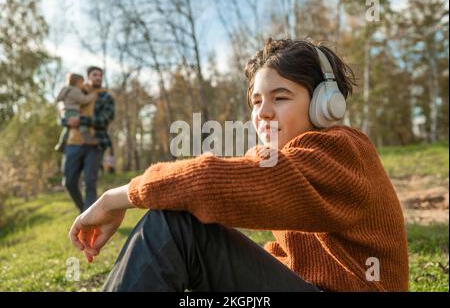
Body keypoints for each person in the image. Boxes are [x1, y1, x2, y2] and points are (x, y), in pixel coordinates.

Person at [69, 39, 409, 292]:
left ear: (326, 104)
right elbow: (281, 261)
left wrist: (115, 198)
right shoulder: (293, 164)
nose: (262, 112)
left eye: (281, 97)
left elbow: (208, 181)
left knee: (176, 225)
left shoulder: (341, 150)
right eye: (256, 100)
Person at [62, 66, 115, 213]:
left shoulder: (106, 97)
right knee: (69, 182)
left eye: (100, 75)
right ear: (88, 77)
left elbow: (105, 120)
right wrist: (66, 120)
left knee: (90, 183)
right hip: (73, 143)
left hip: (95, 143)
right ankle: (83, 210)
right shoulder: (76, 91)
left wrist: (81, 120)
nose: (98, 77)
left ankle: (89, 219)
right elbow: (64, 114)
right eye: (94, 75)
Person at [54, 73, 100, 152]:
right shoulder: (75, 91)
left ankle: (61, 143)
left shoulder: (65, 89)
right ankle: (87, 138)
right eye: (82, 83)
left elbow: (58, 99)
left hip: (65, 112)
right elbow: (83, 100)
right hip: (73, 112)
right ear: (77, 82)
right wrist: (92, 96)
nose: (82, 85)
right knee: (81, 124)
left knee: (67, 129)